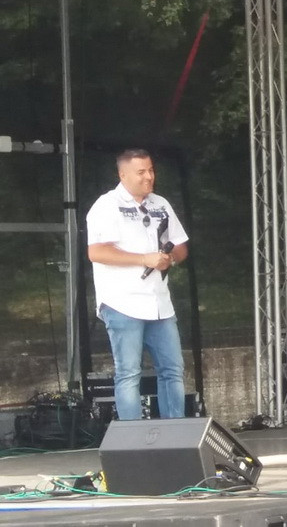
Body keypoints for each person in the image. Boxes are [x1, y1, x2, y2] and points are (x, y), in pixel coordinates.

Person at [86, 149, 190, 421]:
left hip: (159, 303)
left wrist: (169, 258)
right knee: (129, 373)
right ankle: (132, 437)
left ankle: (175, 432)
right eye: (141, 172)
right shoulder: (106, 205)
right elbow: (97, 252)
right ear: (123, 175)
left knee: (173, 370)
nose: (148, 177)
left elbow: (180, 245)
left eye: (151, 170)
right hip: (123, 302)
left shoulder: (160, 203)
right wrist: (144, 258)